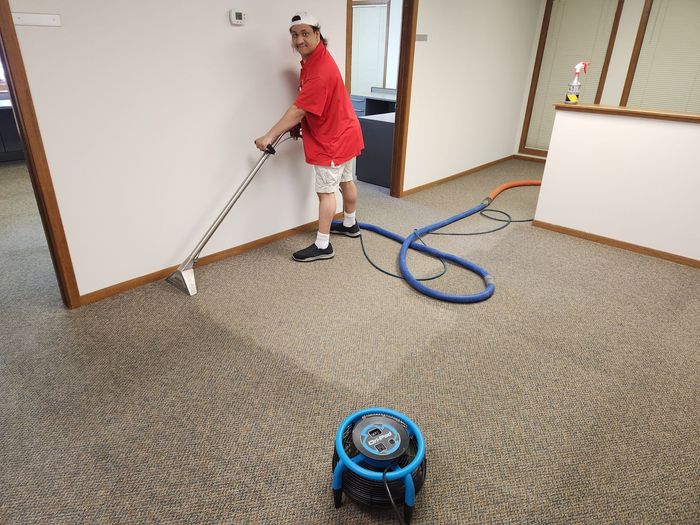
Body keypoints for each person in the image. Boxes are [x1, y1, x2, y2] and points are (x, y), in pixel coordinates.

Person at [255, 11, 364, 262]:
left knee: (326, 193)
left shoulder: (320, 69)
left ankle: (323, 245)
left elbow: (299, 108)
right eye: (294, 35)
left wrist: (269, 136)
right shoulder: (316, 59)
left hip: (333, 140)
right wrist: (297, 125)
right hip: (346, 132)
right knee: (346, 181)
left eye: (305, 34)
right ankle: (350, 224)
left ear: (317, 34)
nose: (299, 40)